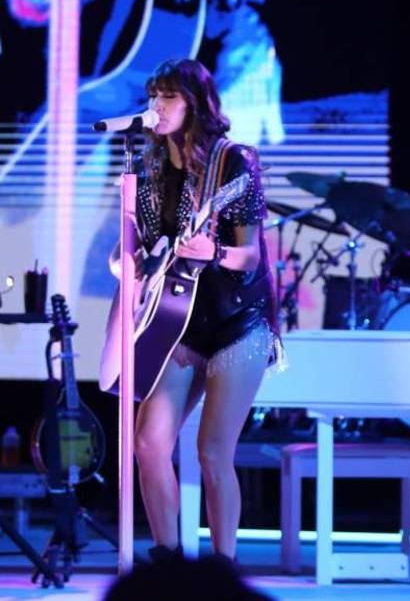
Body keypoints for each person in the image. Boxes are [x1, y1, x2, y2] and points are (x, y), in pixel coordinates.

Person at [126, 58, 282, 563]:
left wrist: (212, 252)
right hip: (179, 324)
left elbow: (250, 256)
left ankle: (222, 567)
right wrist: (127, 259)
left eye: (169, 96)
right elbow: (149, 247)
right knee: (148, 444)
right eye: (154, 95)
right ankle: (168, 559)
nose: (157, 106)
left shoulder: (233, 162)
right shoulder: (148, 169)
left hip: (238, 323)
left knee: (213, 452)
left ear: (194, 104)